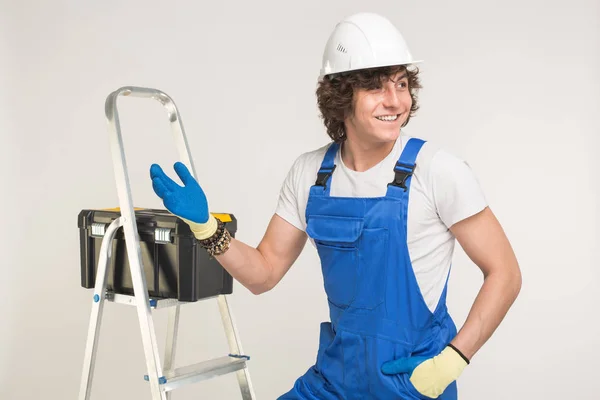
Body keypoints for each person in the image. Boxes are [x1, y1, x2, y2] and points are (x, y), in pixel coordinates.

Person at [149, 12, 522, 400]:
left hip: (411, 383)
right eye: (377, 88)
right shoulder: (310, 173)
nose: (395, 101)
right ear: (342, 96)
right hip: (334, 381)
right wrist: (207, 227)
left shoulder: (438, 171)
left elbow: (505, 273)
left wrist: (451, 362)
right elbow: (263, 273)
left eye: (402, 84)